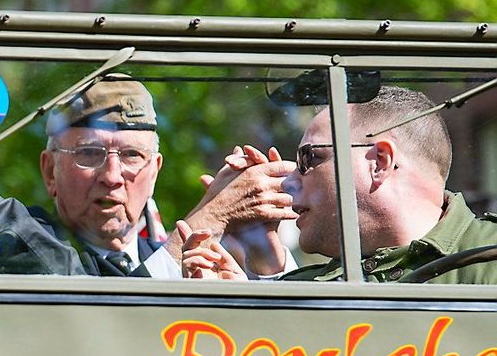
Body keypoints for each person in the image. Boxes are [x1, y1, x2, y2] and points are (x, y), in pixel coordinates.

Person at [0, 61, 297, 278]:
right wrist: (211, 217)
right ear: (49, 171)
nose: (111, 176)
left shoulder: (190, 260)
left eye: (132, 157)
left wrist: (265, 255)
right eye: (89, 154)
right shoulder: (26, 248)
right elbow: (96, 309)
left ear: (154, 171)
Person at [182, 85, 497, 284]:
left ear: (380, 162)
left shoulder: (490, 259)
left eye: (309, 158)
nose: (288, 179)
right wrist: (234, 307)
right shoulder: (304, 289)